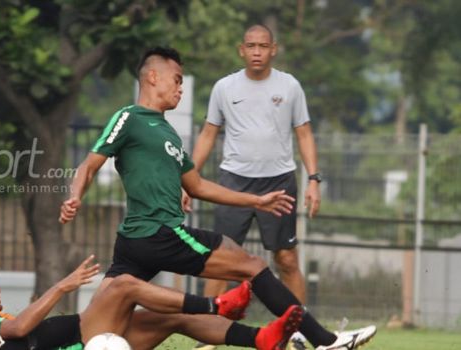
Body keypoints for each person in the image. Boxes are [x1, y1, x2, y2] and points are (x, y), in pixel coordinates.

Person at [59, 47, 375, 350]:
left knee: (96, 328)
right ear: (153, 77)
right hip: (159, 233)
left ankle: (264, 339)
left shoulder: (167, 133)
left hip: (136, 244)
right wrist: (74, 196)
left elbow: (197, 185)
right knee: (252, 265)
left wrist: (256, 200)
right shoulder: (129, 118)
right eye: (177, 79)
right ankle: (326, 341)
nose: (180, 88)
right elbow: (89, 165)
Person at [189, 24, 320, 350]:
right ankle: (210, 335)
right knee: (220, 260)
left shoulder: (289, 86)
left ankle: (300, 331)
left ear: (273, 49)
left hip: (279, 181)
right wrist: (187, 180)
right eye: (251, 46)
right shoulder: (224, 87)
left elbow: (304, 134)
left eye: (263, 46)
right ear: (241, 50)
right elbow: (208, 134)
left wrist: (314, 180)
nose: (257, 52)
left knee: (286, 259)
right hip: (234, 182)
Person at [0, 255, 305, 350]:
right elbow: (21, 328)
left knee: (172, 317)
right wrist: (62, 286)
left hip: (87, 337)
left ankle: (259, 339)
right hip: (84, 340)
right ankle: (216, 305)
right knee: (121, 287)